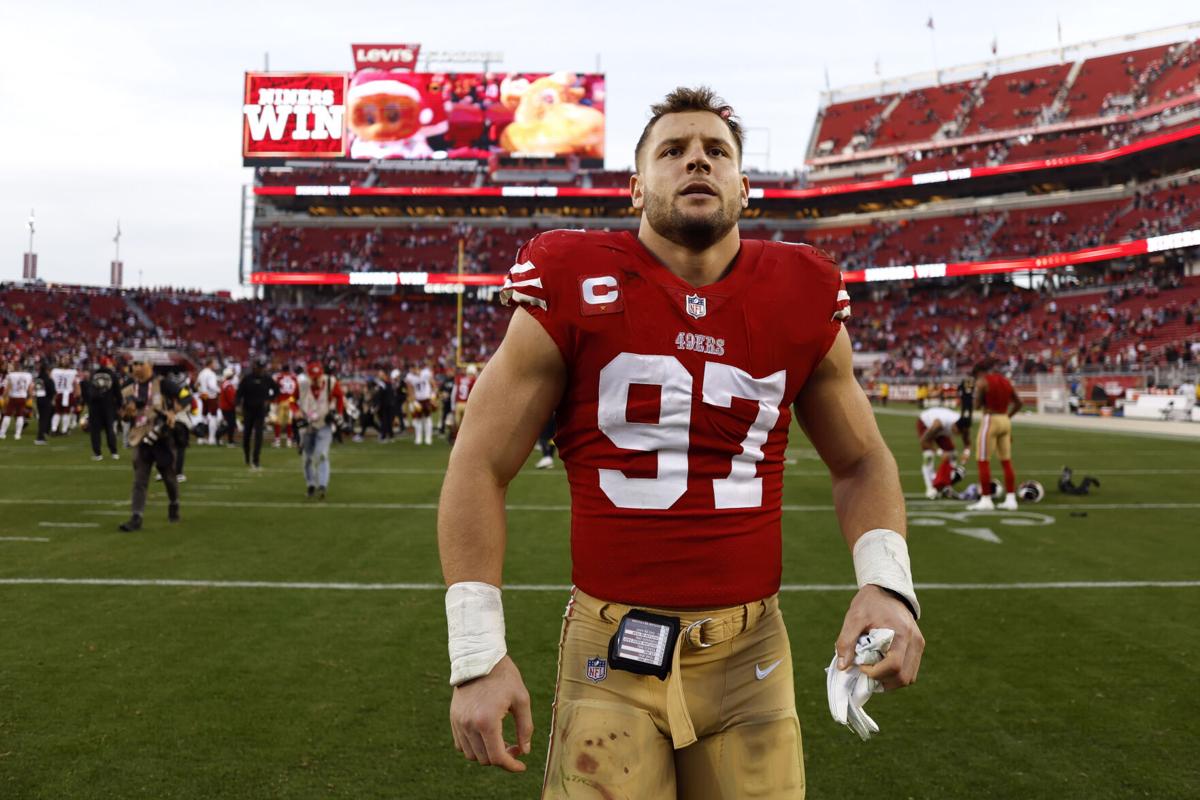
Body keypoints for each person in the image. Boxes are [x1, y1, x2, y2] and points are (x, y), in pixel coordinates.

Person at [438, 87, 923, 797]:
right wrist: (477, 651)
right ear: (636, 188)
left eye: (715, 152)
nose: (696, 160)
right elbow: (479, 462)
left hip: (753, 652)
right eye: (673, 150)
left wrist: (887, 585)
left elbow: (860, 460)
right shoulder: (571, 275)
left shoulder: (800, 288)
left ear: (744, 188)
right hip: (610, 653)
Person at [117, 359, 189, 531]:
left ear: (149, 365)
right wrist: (126, 413)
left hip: (161, 435)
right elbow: (123, 414)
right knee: (139, 479)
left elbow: (186, 396)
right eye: (133, 364)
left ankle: (174, 503)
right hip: (140, 437)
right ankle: (136, 517)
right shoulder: (127, 386)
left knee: (168, 476)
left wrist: (173, 411)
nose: (136, 367)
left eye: (140, 364)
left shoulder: (162, 383)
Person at [967, 361, 1024, 511]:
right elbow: (1019, 403)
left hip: (990, 420)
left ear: (979, 372)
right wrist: (1008, 417)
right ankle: (1011, 499)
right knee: (1006, 461)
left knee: (983, 460)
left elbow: (977, 406)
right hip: (1005, 419)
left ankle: (986, 499)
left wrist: (975, 394)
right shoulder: (1005, 380)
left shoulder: (982, 381)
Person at [298, 361, 345, 500]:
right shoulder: (302, 384)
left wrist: (339, 413)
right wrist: (296, 412)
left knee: (322, 454)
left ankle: (323, 485)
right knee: (307, 458)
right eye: (313, 376)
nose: (316, 379)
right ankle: (311, 484)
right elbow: (292, 399)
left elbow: (340, 396)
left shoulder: (331, 382)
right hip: (307, 425)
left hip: (324, 423)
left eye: (318, 376)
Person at [915, 406, 971, 499]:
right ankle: (930, 488)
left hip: (940, 430)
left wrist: (966, 453)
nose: (956, 434)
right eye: (956, 431)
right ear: (954, 425)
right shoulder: (939, 424)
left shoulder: (963, 426)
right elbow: (924, 441)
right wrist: (940, 452)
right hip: (926, 424)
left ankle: (945, 483)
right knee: (928, 456)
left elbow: (967, 443)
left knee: (952, 454)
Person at [236, 356, 277, 470]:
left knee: (259, 435)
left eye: (262, 368)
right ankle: (247, 457)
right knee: (246, 435)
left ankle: (256, 460)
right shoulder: (247, 378)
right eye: (259, 367)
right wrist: (238, 405)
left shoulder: (267, 378)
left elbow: (276, 390)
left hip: (260, 410)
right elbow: (239, 393)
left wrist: (269, 400)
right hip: (248, 409)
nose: (260, 370)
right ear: (255, 367)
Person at [85, 356, 123, 461]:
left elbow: (89, 391)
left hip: (95, 407)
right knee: (110, 429)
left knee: (95, 431)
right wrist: (120, 405)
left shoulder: (94, 375)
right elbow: (118, 392)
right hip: (108, 406)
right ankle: (114, 452)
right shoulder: (112, 375)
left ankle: (97, 454)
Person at [0, 360, 34, 440]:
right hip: (22, 397)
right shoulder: (28, 375)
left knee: (7, 415)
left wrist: (4, 397)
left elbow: (8, 389)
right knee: (20, 415)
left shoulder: (11, 375)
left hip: (13, 397)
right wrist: (30, 397)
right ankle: (17, 435)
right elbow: (30, 389)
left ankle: (2, 433)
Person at [50, 358, 79, 435]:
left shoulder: (54, 371)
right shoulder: (72, 372)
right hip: (67, 394)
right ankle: (64, 430)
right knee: (66, 413)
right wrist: (77, 394)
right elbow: (76, 383)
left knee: (57, 412)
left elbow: (51, 381)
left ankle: (54, 429)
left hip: (58, 393)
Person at [273, 364, 299, 447]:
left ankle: (277, 441)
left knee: (278, 421)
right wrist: (293, 400)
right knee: (289, 421)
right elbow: (297, 391)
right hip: (290, 402)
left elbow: (275, 389)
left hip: (281, 401)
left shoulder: (278, 377)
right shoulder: (294, 378)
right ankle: (289, 441)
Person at [196, 358, 221, 445]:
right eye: (214, 363)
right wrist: (219, 390)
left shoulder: (201, 373)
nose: (215, 365)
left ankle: (201, 438)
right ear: (210, 364)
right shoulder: (211, 374)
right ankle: (211, 438)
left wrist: (201, 392)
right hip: (211, 396)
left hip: (203, 395)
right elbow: (212, 386)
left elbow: (197, 384)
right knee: (213, 416)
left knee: (204, 416)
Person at [33, 359, 56, 445]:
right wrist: (52, 400)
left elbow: (36, 390)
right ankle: (40, 437)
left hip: (39, 400)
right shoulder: (48, 379)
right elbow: (52, 391)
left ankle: (41, 435)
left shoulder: (38, 378)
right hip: (46, 400)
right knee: (44, 419)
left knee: (41, 419)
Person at [218, 367, 238, 446]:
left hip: (227, 406)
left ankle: (230, 439)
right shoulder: (228, 385)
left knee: (231, 424)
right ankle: (229, 441)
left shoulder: (226, 383)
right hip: (228, 407)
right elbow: (231, 398)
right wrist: (235, 404)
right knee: (231, 424)